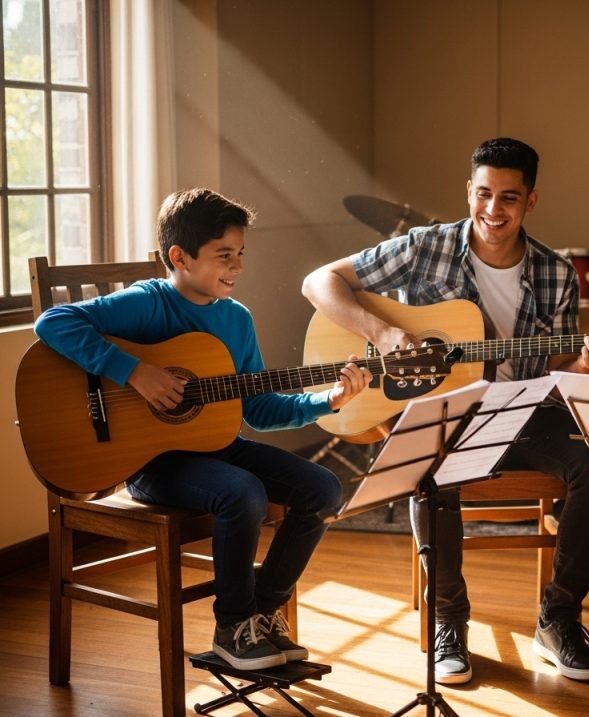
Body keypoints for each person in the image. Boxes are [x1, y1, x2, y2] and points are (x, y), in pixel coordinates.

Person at [302, 137, 589, 684]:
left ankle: (559, 619)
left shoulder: (556, 273)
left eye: (509, 199)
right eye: (484, 194)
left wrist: (586, 367)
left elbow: (553, 369)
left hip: (521, 408)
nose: (493, 211)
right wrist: (382, 332)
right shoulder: (424, 247)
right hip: (444, 410)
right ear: (468, 190)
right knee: (429, 467)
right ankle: (450, 620)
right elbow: (319, 282)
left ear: (531, 201)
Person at [34, 188, 371, 671]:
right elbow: (53, 321)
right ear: (180, 257)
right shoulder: (147, 304)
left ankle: (262, 610)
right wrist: (134, 372)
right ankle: (232, 628)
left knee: (324, 488)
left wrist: (328, 401)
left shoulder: (236, 320)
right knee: (243, 493)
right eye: (224, 256)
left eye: (240, 255)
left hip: (217, 447)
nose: (236, 267)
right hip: (149, 463)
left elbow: (258, 409)